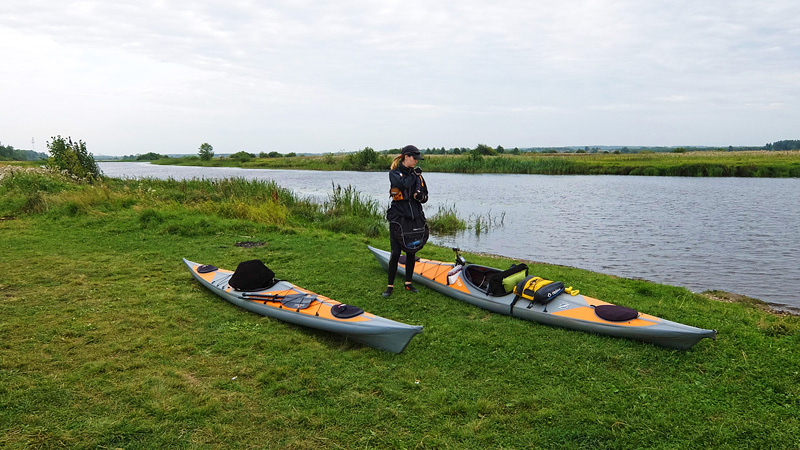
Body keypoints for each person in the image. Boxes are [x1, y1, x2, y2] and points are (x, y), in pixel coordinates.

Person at [382, 145, 428, 297]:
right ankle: (390, 286)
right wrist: (414, 175)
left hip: (414, 216)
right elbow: (402, 184)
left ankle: (408, 283)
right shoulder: (394, 173)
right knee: (395, 253)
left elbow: (426, 196)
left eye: (417, 159)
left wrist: (421, 197)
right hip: (398, 217)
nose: (416, 161)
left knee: (411, 251)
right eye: (414, 158)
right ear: (406, 157)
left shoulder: (417, 175)